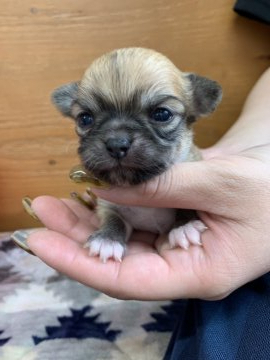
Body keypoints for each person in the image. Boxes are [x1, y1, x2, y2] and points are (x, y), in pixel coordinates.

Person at [27, 68, 270, 359]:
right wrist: (112, 230)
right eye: (87, 119)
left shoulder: (198, 167)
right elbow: (110, 206)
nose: (116, 141)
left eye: (161, 115)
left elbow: (205, 193)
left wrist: (186, 216)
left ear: (198, 105)